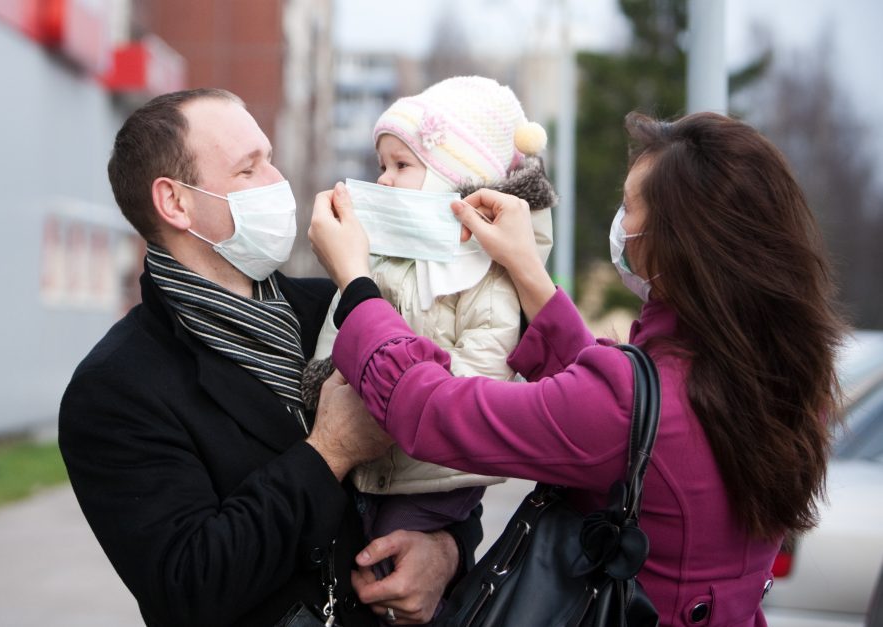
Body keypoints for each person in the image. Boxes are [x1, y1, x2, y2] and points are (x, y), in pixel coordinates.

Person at [308, 111, 847, 626]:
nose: (621, 222)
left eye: (630, 207)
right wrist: (524, 267)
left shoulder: (632, 405)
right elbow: (623, 418)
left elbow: (432, 410)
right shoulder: (782, 374)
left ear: (677, 243)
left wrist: (357, 287)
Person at [58, 88, 482, 627]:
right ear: (175, 202)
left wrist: (445, 551)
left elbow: (448, 464)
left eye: (270, 157)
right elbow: (188, 585)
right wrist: (329, 451)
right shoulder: (116, 387)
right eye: (248, 168)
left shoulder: (336, 309)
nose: (278, 181)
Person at [302, 76, 556, 588]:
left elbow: (483, 370)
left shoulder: (487, 273)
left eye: (403, 166)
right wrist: (323, 381)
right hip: (372, 460)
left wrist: (402, 392)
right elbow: (341, 320)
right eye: (382, 166)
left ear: (452, 177)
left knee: (393, 573)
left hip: (438, 473)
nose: (386, 180)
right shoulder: (379, 252)